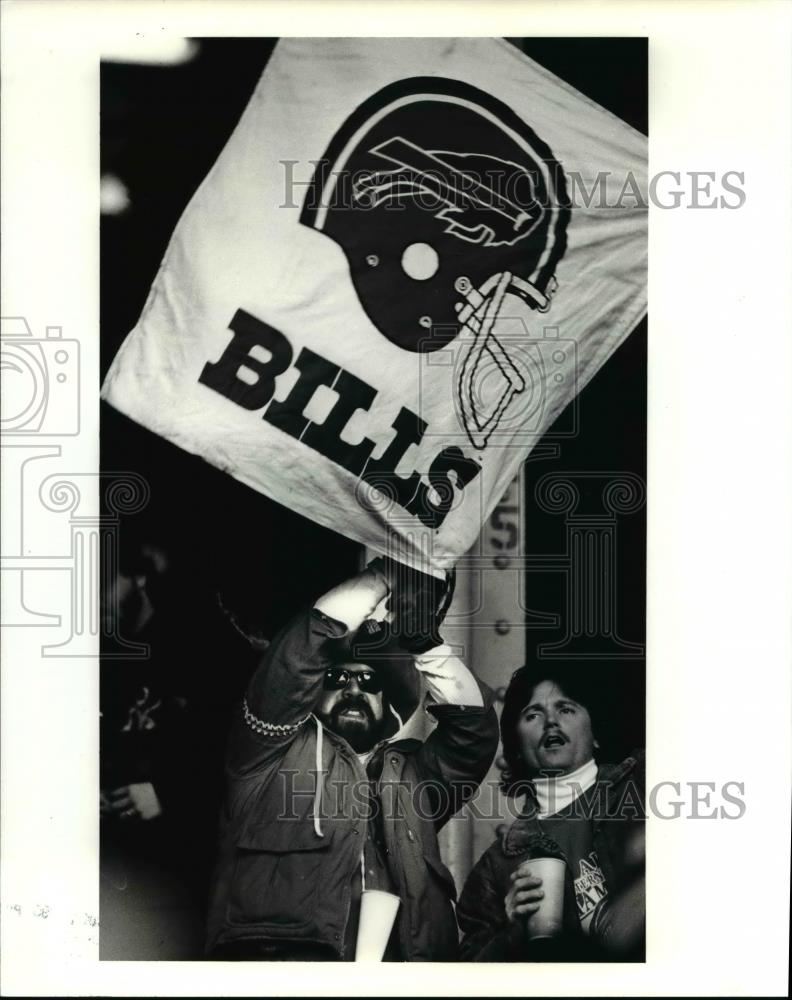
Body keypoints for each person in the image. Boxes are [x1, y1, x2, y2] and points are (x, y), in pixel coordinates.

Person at [205, 558, 499, 961]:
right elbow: (293, 662)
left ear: (389, 708)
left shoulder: (415, 775)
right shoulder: (266, 754)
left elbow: (475, 733)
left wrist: (426, 645)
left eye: (369, 681)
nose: (353, 688)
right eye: (337, 679)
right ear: (311, 695)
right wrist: (386, 576)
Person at [457, 662, 645, 962]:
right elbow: (467, 975)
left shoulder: (646, 783)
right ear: (516, 747)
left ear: (595, 734)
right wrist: (512, 931)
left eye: (566, 709)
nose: (551, 722)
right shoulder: (495, 867)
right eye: (533, 715)